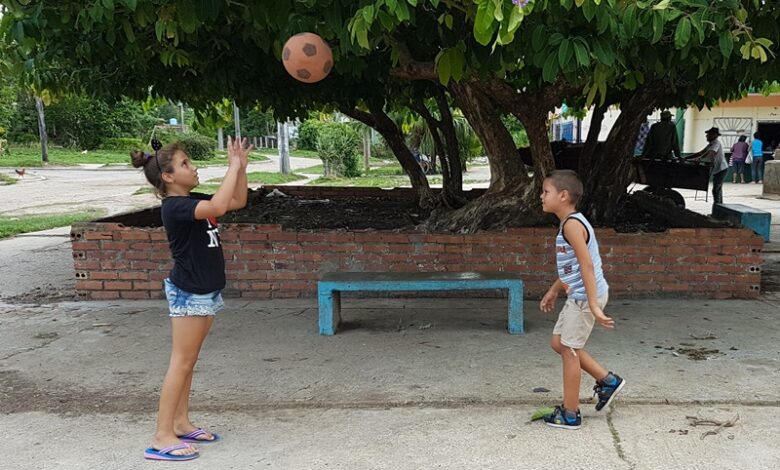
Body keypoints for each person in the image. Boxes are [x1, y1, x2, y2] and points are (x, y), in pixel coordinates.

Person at [130, 136, 252, 461]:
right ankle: (161, 435)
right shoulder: (175, 208)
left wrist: (240, 170)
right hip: (190, 294)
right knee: (181, 362)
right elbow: (219, 206)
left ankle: (181, 422)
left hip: (205, 291)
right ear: (168, 177)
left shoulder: (190, 201)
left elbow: (236, 200)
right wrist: (232, 166)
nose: (193, 167)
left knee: (188, 363)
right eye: (185, 164)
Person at [539, 170, 625, 430]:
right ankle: (607, 380)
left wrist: (594, 305)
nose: (541, 196)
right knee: (559, 343)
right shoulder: (569, 223)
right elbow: (573, 268)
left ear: (563, 196)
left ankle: (570, 413)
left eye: (546, 192)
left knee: (570, 350)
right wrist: (554, 289)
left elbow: (587, 266)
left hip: (585, 297)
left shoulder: (573, 225)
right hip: (579, 295)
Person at [686, 127, 728, 204]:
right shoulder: (710, 144)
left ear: (714, 135)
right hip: (717, 169)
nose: (706, 136)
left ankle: (718, 208)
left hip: (721, 169)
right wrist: (685, 158)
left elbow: (711, 153)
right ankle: (720, 206)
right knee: (717, 189)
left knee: (716, 189)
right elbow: (700, 153)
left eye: (708, 134)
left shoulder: (716, 143)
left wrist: (699, 159)